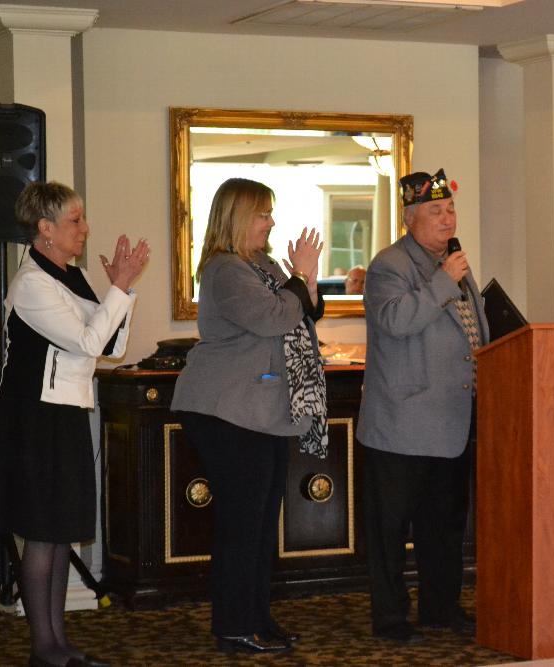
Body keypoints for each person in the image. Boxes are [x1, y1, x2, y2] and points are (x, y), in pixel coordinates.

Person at [0, 181, 149, 667]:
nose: (85, 229)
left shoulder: (69, 276)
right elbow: (86, 342)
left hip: (65, 412)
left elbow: (113, 346)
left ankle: (59, 644)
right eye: (75, 221)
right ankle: (43, 648)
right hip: (33, 418)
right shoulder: (31, 284)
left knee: (60, 533)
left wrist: (120, 291)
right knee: (42, 532)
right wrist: (117, 289)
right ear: (45, 229)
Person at [170, 178, 327, 655]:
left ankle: (258, 618)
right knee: (242, 524)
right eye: (263, 213)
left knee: (261, 525)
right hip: (227, 410)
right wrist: (299, 280)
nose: (271, 222)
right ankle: (234, 625)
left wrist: (307, 277)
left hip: (261, 412)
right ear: (238, 216)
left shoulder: (261, 264)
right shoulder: (223, 269)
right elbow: (275, 318)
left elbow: (305, 311)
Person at [358, 168, 488, 643]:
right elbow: (395, 320)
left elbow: (471, 328)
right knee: (391, 529)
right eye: (435, 211)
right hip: (404, 422)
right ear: (411, 218)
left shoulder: (453, 262)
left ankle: (441, 609)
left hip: (454, 421)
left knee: (443, 526)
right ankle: (391, 618)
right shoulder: (389, 265)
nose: (447, 218)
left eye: (450, 208)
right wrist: (442, 282)